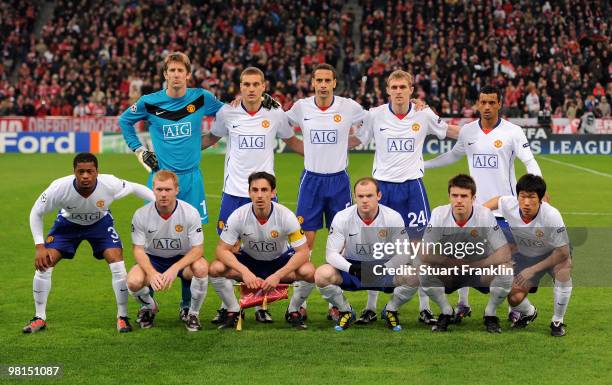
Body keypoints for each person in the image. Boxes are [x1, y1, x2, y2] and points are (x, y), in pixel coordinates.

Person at [424, 85, 543, 322]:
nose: (487, 107)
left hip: (505, 211)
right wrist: (423, 165)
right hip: (474, 211)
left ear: (499, 104)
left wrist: (540, 187)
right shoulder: (468, 131)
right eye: (483, 102)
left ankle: (514, 311)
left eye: (492, 102)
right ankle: (463, 304)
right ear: (477, 104)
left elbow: (529, 161)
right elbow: (453, 156)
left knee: (507, 263)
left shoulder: (513, 132)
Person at [118, 51, 224, 319]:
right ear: (165, 74)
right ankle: (148, 304)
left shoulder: (201, 97)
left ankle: (187, 304)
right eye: (172, 70)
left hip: (191, 179)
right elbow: (124, 121)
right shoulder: (149, 102)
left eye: (181, 70)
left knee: (191, 242)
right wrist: (139, 150)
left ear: (188, 74)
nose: (176, 75)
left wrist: (211, 138)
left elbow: (228, 114)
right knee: (152, 236)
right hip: (162, 179)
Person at [354, 69, 461, 325]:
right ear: (387, 90)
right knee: (376, 248)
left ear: (412, 90)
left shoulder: (423, 114)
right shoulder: (375, 115)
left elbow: (449, 131)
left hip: (413, 188)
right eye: (394, 87)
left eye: (403, 87)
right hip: (383, 190)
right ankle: (370, 307)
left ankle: (424, 308)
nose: (399, 91)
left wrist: (481, 132)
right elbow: (356, 140)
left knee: (419, 249)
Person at [201, 66, 303, 324]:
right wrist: (176, 147)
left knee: (267, 249)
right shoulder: (227, 111)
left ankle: (261, 304)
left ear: (263, 86)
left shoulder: (275, 113)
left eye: (255, 84)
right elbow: (211, 138)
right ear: (240, 86)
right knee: (233, 252)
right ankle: (232, 306)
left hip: (264, 193)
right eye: (246, 84)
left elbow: (292, 140)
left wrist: (325, 155)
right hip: (233, 192)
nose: (250, 89)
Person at [23, 153, 155, 333]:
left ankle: (122, 317)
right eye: (81, 172)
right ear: (74, 172)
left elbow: (135, 188)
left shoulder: (110, 183)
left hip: (100, 224)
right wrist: (40, 246)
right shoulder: (59, 187)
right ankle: (39, 317)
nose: (85, 176)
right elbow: (36, 212)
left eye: (90, 172)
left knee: (117, 262)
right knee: (44, 264)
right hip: (67, 225)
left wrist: (156, 204)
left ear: (97, 172)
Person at [209, 172, 315, 330]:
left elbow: (303, 252)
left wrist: (278, 275)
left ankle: (293, 310)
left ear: (273, 193)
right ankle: (233, 309)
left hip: (278, 263)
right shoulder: (238, 216)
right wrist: (244, 272)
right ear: (249, 192)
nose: (259, 195)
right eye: (255, 190)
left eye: (264, 190)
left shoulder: (286, 216)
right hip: (250, 261)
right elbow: (221, 250)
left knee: (310, 271)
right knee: (215, 268)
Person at [314, 177, 420, 331]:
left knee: (413, 275)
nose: (364, 200)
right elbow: (331, 254)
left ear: (379, 196)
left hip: (384, 268)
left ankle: (390, 310)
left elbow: (404, 253)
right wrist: (352, 268)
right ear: (355, 197)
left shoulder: (393, 217)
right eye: (360, 196)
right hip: (353, 268)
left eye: (369, 196)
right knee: (322, 274)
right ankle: (346, 311)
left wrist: (385, 268)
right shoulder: (342, 217)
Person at [419, 174, 513, 333]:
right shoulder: (439, 214)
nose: (459, 200)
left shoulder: (484, 215)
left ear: (473, 198)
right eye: (454, 195)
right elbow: (423, 253)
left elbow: (504, 252)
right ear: (449, 196)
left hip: (479, 270)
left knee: (506, 270)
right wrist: (450, 263)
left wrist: (476, 265)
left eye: (464, 196)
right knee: (422, 269)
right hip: (450, 269)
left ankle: (490, 314)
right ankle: (446, 311)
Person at [484, 174, 572, 336]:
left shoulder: (551, 215)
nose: (526, 202)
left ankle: (557, 321)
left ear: (541, 199)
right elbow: (497, 200)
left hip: (553, 252)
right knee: (514, 297)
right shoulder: (510, 204)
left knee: (563, 270)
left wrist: (532, 270)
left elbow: (563, 252)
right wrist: (479, 213)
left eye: (531, 197)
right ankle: (530, 312)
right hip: (527, 253)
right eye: (522, 196)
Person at [127, 170, 208, 332]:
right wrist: (151, 272)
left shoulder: (190, 213)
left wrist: (175, 268)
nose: (163, 194)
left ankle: (191, 311)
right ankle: (148, 307)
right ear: (153, 190)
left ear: (176, 190)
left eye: (168, 190)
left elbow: (198, 249)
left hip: (182, 259)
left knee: (201, 267)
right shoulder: (141, 214)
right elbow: (138, 250)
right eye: (159, 189)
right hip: (153, 259)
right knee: (133, 281)